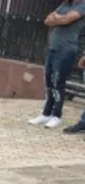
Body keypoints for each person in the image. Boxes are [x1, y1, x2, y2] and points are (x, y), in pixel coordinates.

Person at [30, 0, 85, 130]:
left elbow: (67, 19)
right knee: (49, 80)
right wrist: (58, 19)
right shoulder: (65, 4)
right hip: (53, 46)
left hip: (67, 49)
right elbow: (47, 20)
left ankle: (57, 115)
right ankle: (46, 113)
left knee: (58, 82)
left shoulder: (82, 5)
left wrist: (57, 18)